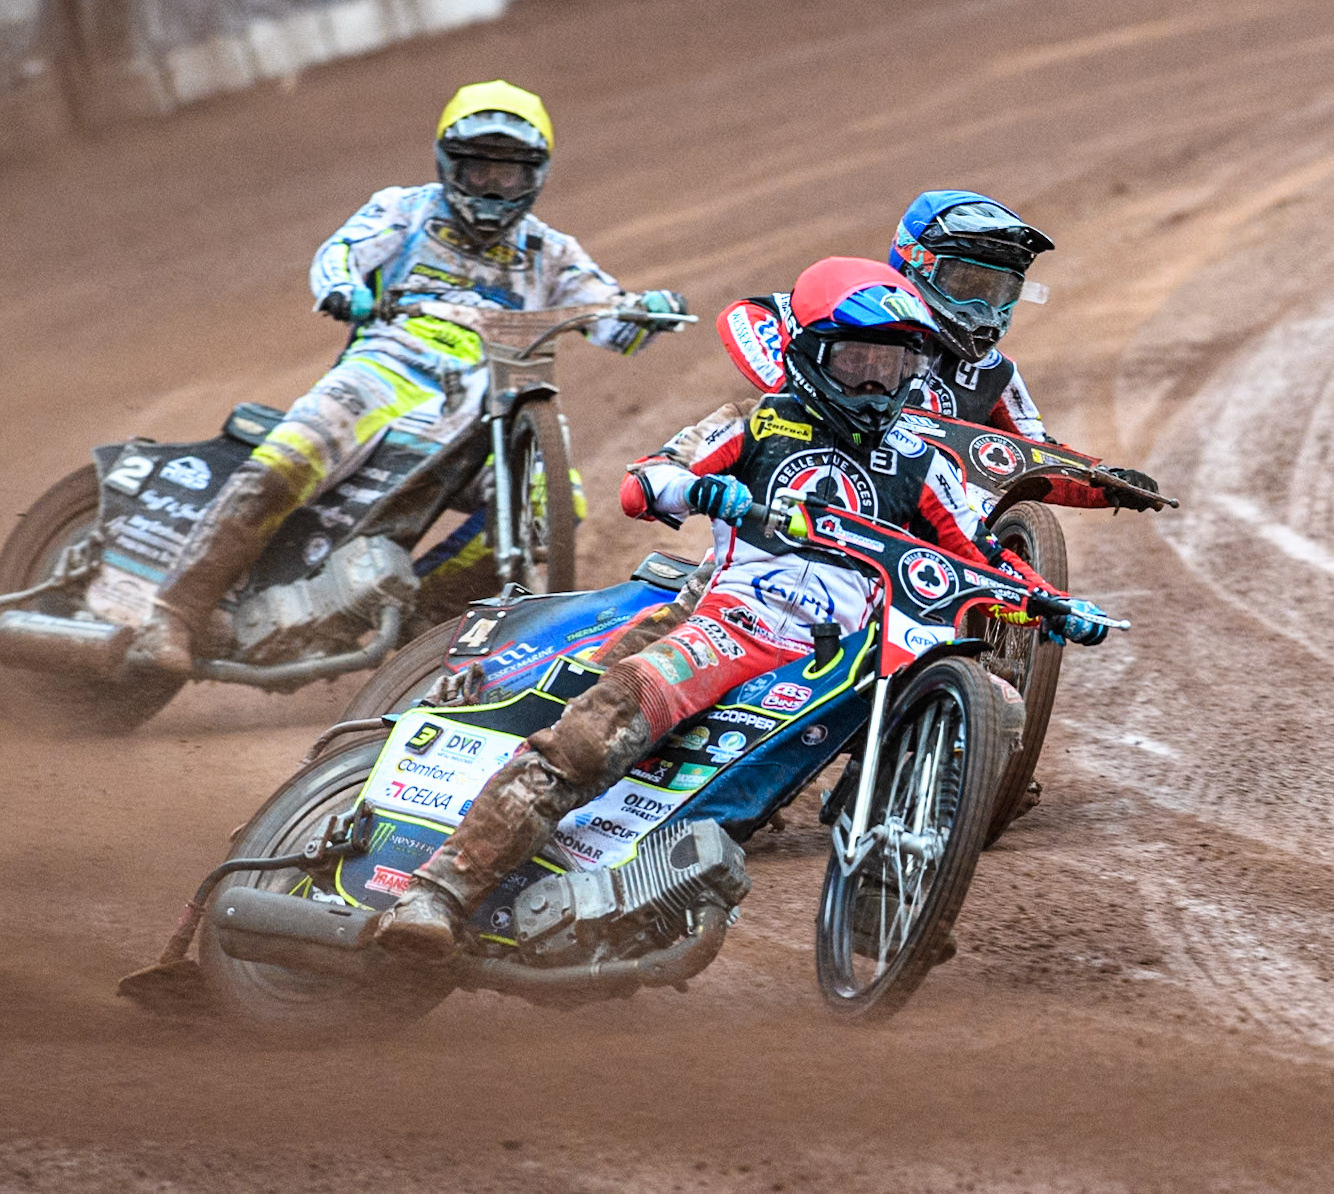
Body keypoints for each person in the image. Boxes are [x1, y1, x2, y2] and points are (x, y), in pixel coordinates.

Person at [374, 257, 1114, 956]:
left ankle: (885, 894)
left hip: (842, 658)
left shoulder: (921, 460)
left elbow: (980, 557)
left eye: (891, 365)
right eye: (854, 361)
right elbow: (644, 481)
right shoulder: (757, 422)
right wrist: (699, 489)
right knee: (593, 736)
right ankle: (437, 892)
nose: (872, 383)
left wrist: (1051, 607)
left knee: (988, 707)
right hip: (726, 629)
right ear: (811, 356)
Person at [126, 79, 687, 674]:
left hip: (488, 397)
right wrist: (343, 289)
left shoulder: (549, 251)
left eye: (510, 174)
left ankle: (410, 619)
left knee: (553, 503)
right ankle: (175, 612)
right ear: (450, 164)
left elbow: (610, 319)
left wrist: (647, 310)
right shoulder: (406, 209)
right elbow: (340, 255)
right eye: (479, 172)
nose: (495, 188)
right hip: (385, 370)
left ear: (536, 176)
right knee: (291, 457)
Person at [717, 189, 1162, 512]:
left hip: (933, 525)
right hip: (807, 495)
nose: (984, 308)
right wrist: (802, 388)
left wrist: (1104, 482)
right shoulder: (852, 317)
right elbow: (745, 314)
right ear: (914, 264)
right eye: (967, 286)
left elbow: (1031, 456)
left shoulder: (994, 374)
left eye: (1000, 291)